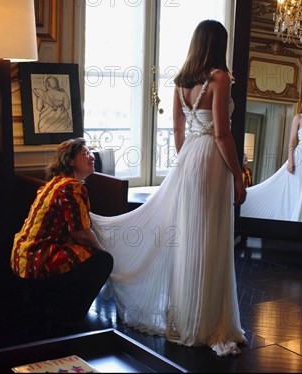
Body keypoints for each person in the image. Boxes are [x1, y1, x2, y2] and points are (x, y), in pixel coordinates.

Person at [91, 19, 248, 356]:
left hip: (188, 158)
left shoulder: (180, 83)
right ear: (219, 44)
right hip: (211, 161)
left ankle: (184, 320)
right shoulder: (220, 78)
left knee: (188, 238)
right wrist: (237, 174)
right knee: (209, 238)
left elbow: (178, 133)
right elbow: (222, 133)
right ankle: (206, 324)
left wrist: (186, 162)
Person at [10, 138, 113, 323]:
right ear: (71, 161)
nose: (92, 157)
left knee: (89, 254)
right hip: (39, 259)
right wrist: (102, 249)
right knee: (103, 260)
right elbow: (80, 233)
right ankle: (69, 316)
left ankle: (51, 304)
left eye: (91, 152)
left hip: (22, 257)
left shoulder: (54, 183)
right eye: (85, 154)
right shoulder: (72, 187)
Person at [240, 91, 302, 222]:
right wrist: (291, 162)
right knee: (299, 189)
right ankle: (298, 220)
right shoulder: (298, 118)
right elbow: (292, 141)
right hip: (300, 157)